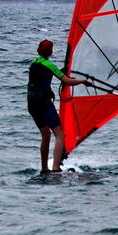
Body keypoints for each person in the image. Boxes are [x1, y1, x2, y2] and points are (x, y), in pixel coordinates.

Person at [27, 39, 92, 174]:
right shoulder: (49, 65)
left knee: (46, 135)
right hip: (44, 103)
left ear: (38, 50)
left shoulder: (34, 64)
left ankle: (44, 169)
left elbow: (43, 74)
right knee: (59, 135)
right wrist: (83, 81)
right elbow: (66, 81)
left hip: (32, 104)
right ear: (51, 52)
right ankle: (56, 169)